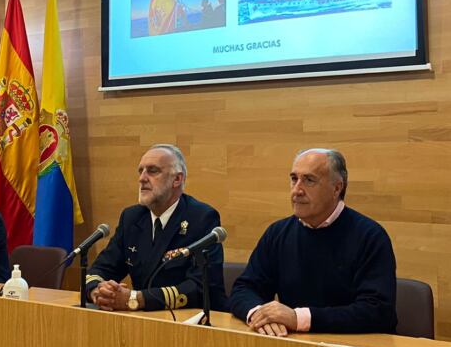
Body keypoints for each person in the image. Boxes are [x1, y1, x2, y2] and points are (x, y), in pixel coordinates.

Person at [228, 149, 396, 336]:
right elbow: (244, 288)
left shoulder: (370, 236)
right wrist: (259, 315)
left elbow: (376, 311)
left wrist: (299, 318)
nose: (297, 190)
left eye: (309, 180)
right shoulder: (278, 232)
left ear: (336, 188)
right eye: (294, 179)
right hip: (293, 345)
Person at [86, 144, 226, 312]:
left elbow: (200, 287)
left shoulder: (201, 218)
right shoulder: (132, 217)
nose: (142, 178)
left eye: (152, 171)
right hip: (143, 321)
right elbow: (102, 268)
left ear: (177, 179)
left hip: (186, 323)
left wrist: (136, 299)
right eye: (141, 171)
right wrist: (99, 290)